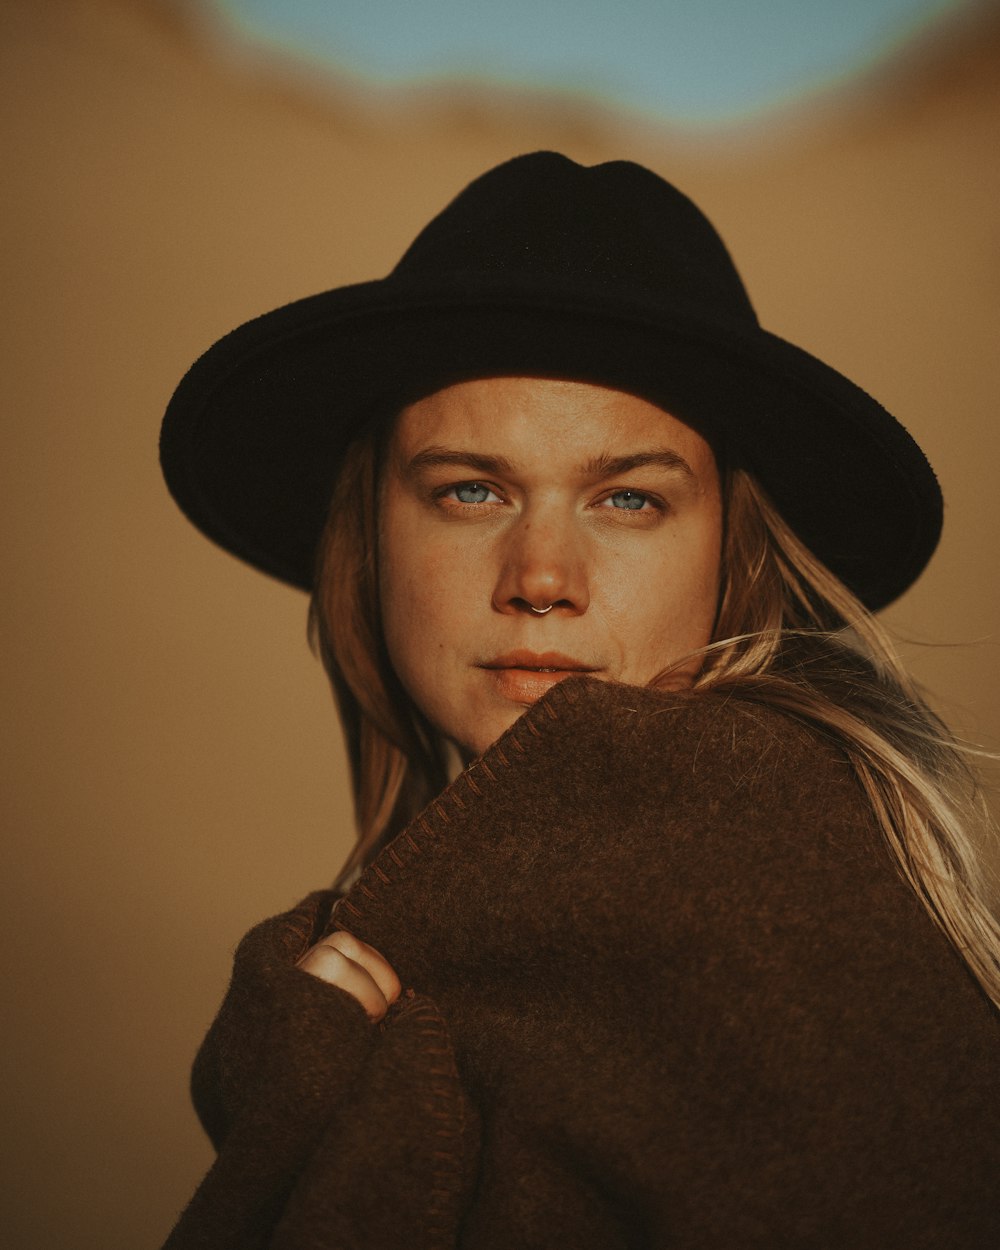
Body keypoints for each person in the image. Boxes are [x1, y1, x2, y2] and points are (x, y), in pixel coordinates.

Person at [159, 152, 1000, 1248]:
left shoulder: (770, 885)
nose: (541, 575)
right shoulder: (478, 905)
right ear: (370, 539)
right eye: (470, 489)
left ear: (732, 554)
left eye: (628, 498)